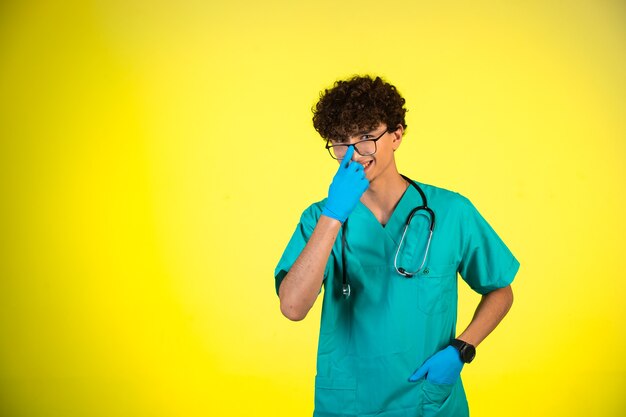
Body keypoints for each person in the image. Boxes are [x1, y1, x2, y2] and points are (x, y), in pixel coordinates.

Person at [274, 75, 519, 417]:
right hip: (348, 402)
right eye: (340, 142)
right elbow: (293, 308)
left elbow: (500, 290)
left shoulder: (451, 211)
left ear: (397, 135)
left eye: (365, 137)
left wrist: (462, 348)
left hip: (426, 400)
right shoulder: (318, 219)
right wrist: (333, 215)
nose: (353, 154)